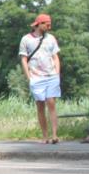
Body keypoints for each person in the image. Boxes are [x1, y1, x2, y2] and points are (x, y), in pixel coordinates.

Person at [19, 14, 61, 144]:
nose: (49, 27)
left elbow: (55, 57)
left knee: (51, 103)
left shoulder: (51, 38)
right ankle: (45, 136)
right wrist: (29, 77)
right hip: (36, 77)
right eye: (47, 24)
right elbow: (24, 59)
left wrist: (57, 73)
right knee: (40, 106)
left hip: (51, 75)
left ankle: (54, 135)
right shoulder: (26, 39)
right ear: (39, 24)